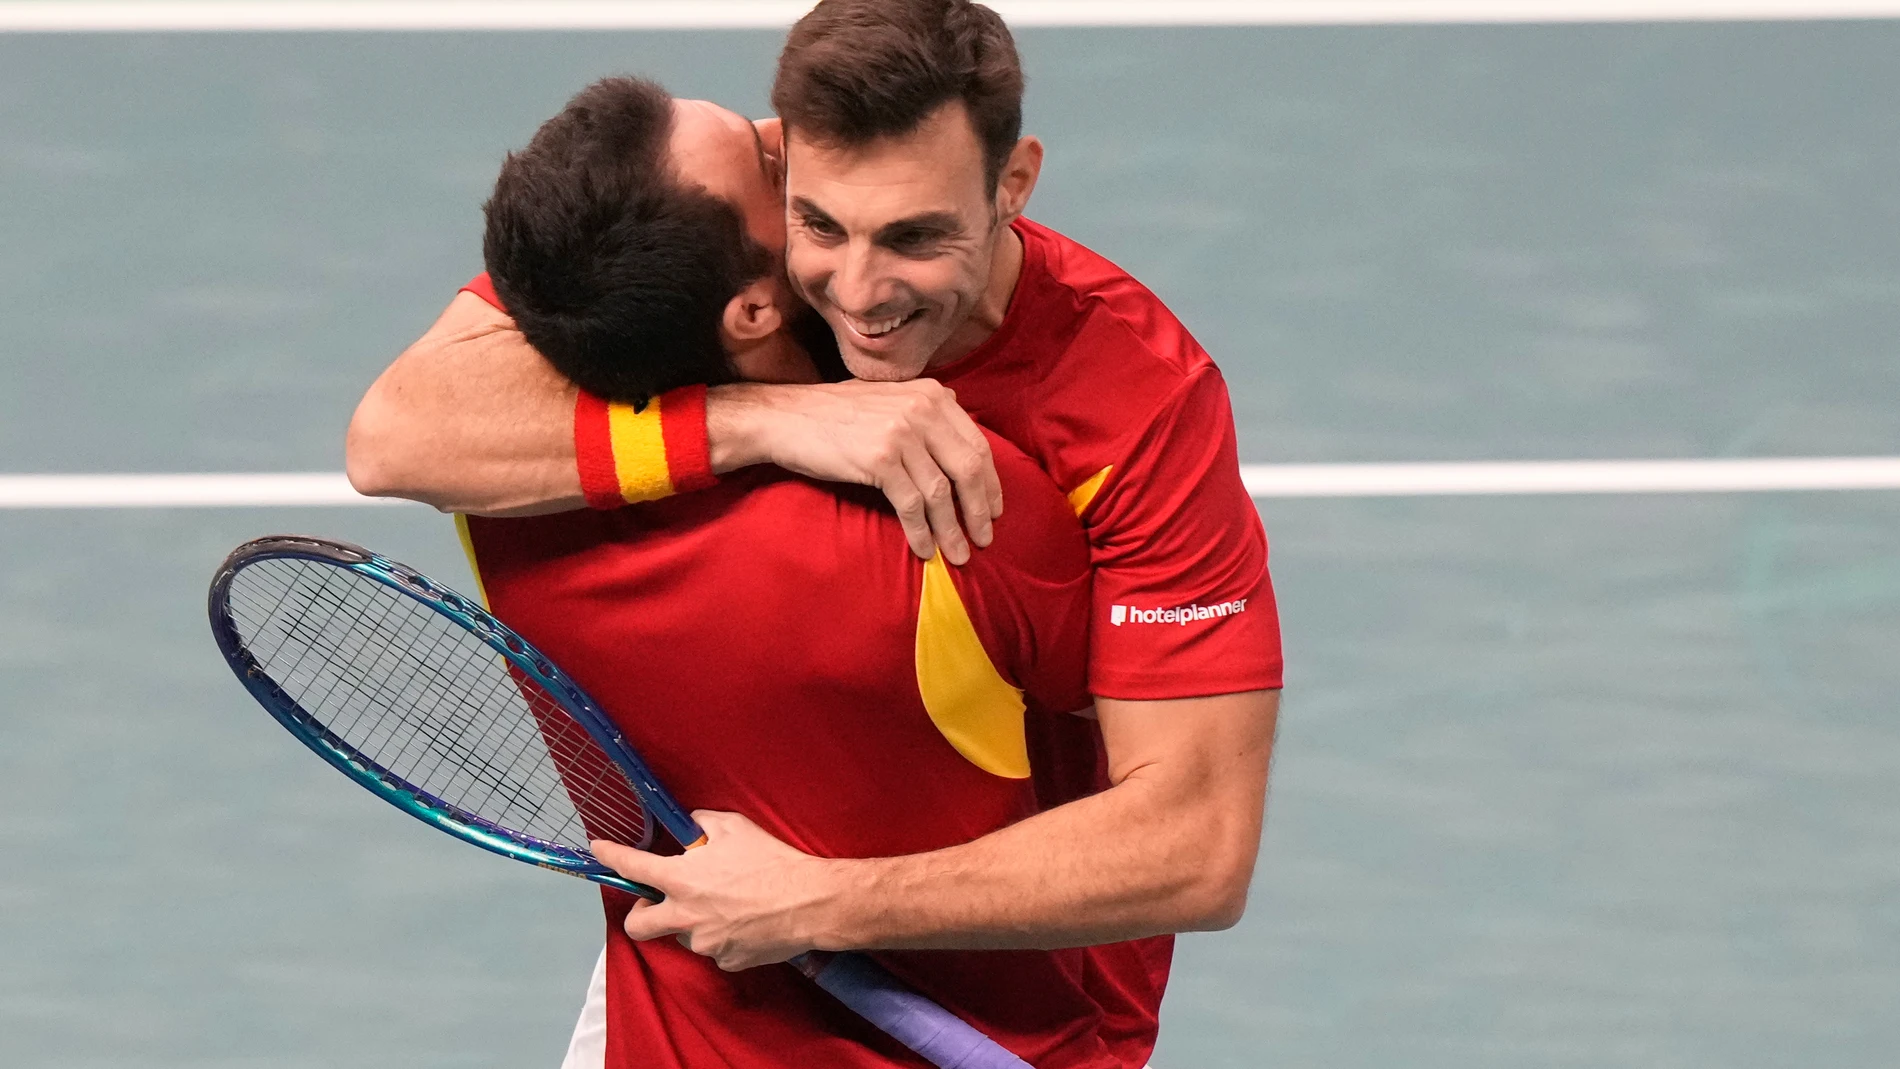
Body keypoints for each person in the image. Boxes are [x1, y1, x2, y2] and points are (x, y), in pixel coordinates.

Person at [348, 2, 1284, 1065]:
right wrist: (774, 418)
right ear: (783, 163)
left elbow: (1196, 846)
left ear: (1013, 183)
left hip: (975, 1005)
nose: (861, 294)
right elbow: (393, 432)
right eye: (821, 227)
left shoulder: (1133, 407)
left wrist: (813, 902)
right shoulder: (708, 246)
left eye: (917, 237)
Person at [461, 74, 1111, 1068]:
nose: (786, 138)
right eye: (773, 169)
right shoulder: (968, 515)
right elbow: (1118, 742)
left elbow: (402, 429)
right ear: (757, 307)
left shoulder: (494, 503)